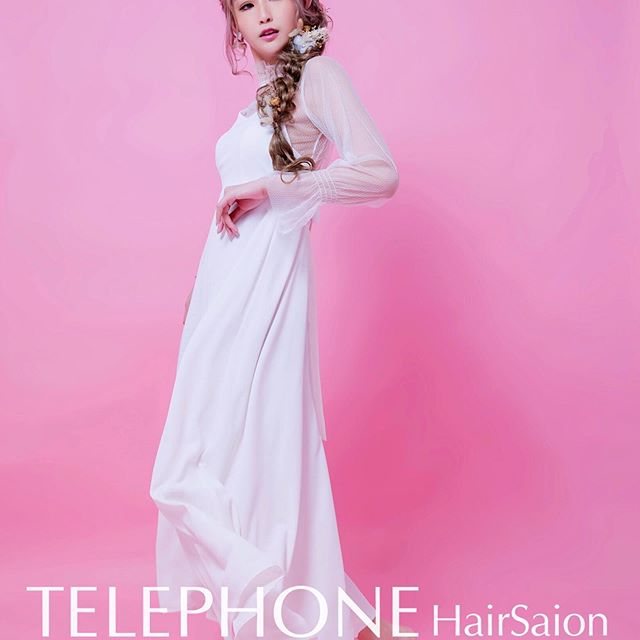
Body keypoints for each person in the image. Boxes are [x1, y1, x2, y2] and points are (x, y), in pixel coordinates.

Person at [149, 0, 408, 638]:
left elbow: (380, 174)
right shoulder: (252, 108)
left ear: (302, 6)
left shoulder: (319, 76)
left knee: (262, 457)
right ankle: (347, 624)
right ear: (233, 25)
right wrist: (195, 306)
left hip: (270, 294)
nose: (262, 12)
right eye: (245, 4)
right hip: (219, 300)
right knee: (206, 463)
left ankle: (279, 606)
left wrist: (276, 187)